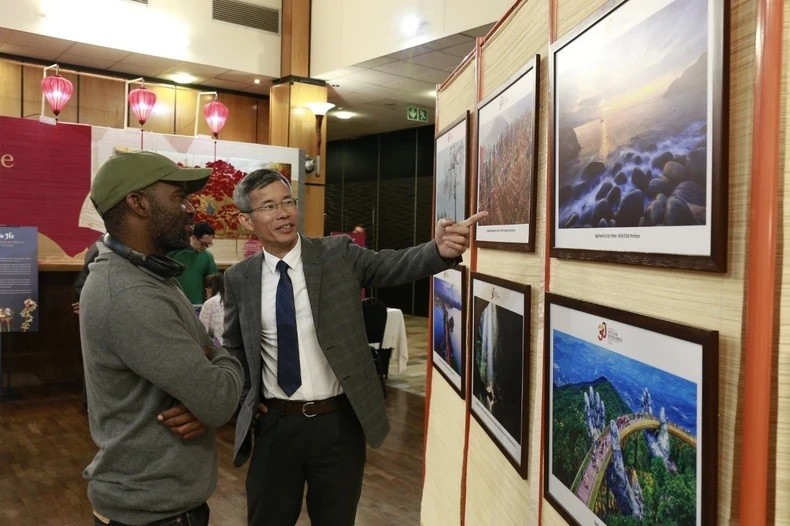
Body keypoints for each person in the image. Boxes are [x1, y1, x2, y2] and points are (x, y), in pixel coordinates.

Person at [222, 168, 486, 526]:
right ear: (246, 219)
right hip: (275, 426)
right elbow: (235, 348)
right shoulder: (239, 278)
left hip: (338, 425)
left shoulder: (336, 254)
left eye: (287, 202)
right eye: (269, 206)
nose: (283, 213)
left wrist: (438, 250)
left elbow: (391, 265)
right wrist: (244, 402)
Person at [79, 150, 244, 526]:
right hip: (152, 513)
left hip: (158, 506)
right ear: (137, 203)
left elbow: (208, 392)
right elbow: (217, 401)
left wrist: (205, 385)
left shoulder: (151, 275)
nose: (190, 209)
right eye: (178, 197)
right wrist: (217, 363)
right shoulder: (130, 293)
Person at [168, 220, 218, 306]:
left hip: (198, 305)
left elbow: (213, 283)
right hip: (175, 303)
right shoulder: (174, 252)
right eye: (203, 244)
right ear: (193, 237)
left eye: (209, 244)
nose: (205, 247)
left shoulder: (208, 256)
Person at [199, 272, 225, 347]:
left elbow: (202, 331)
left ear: (208, 289)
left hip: (218, 348)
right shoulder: (231, 300)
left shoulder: (209, 303)